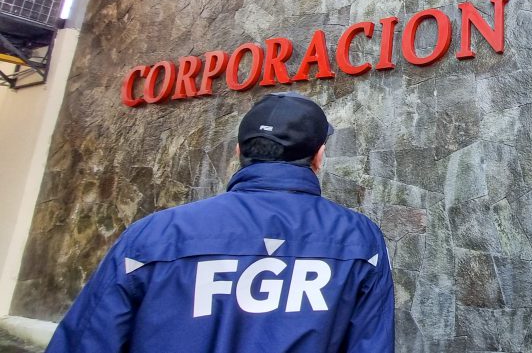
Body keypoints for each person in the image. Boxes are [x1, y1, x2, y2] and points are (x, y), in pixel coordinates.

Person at [46, 91, 395, 352]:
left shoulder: (153, 236)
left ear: (238, 152)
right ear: (319, 156)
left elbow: (86, 340)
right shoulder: (360, 241)